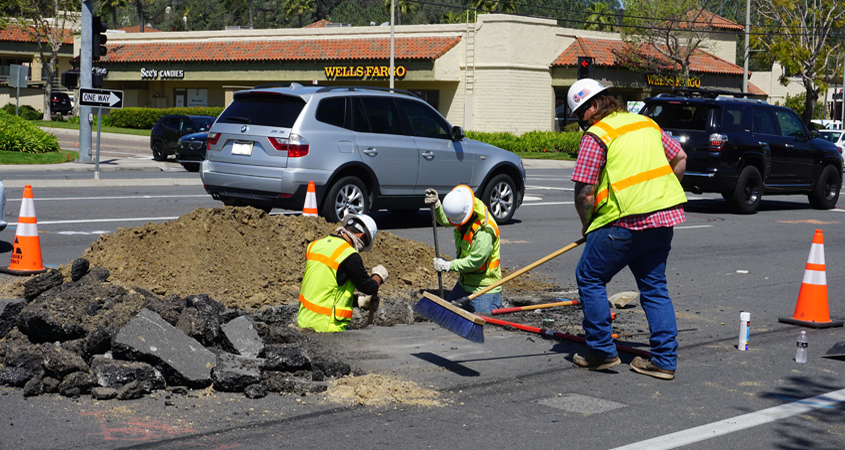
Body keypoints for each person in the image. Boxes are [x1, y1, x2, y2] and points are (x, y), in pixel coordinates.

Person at [567, 78, 687, 380]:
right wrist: (657, 197)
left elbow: (585, 192)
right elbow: (680, 158)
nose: (580, 123)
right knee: (654, 288)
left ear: (592, 106)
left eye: (579, 115)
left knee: (590, 277)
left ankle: (602, 352)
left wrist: (587, 223)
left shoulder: (597, 135)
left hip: (623, 222)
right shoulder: (645, 123)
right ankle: (663, 361)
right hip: (661, 220)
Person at [297, 214, 389, 332]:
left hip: (304, 321)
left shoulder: (315, 245)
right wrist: (379, 275)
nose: (359, 250)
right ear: (362, 236)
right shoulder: (349, 255)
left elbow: (325, 288)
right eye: (362, 247)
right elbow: (369, 287)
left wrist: (357, 301)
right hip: (327, 327)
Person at [425, 185, 502, 314]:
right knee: (447, 316)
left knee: (485, 328)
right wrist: (437, 205)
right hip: (464, 283)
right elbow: (447, 220)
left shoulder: (484, 231)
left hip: (484, 289)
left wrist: (449, 265)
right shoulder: (466, 208)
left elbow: (475, 262)